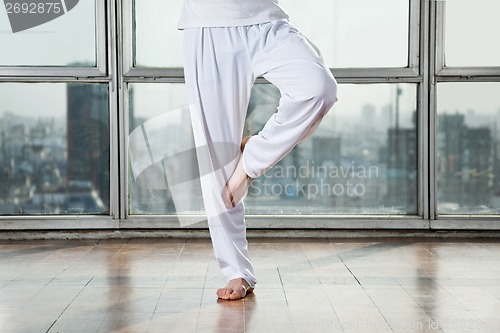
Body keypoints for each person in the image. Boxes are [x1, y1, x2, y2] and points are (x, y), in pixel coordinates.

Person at [178, 0, 338, 300]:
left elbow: (319, 92)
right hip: (207, 25)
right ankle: (236, 270)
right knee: (217, 160)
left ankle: (252, 158)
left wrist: (252, 163)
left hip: (265, 19)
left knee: (318, 88)